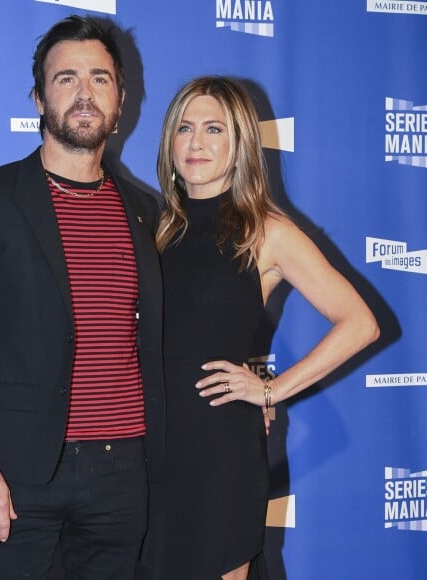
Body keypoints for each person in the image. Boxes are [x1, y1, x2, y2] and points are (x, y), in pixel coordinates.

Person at [0, 15, 164, 580]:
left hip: (124, 470)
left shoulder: (146, 211)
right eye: (66, 79)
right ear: (39, 96)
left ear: (121, 100)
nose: (84, 93)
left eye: (100, 78)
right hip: (20, 473)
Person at [140, 76, 380, 580]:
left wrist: (271, 391)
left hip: (220, 452)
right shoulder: (158, 228)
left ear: (241, 143)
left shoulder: (265, 230)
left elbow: (359, 323)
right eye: (184, 128)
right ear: (168, 141)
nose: (196, 142)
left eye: (214, 129)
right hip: (150, 452)